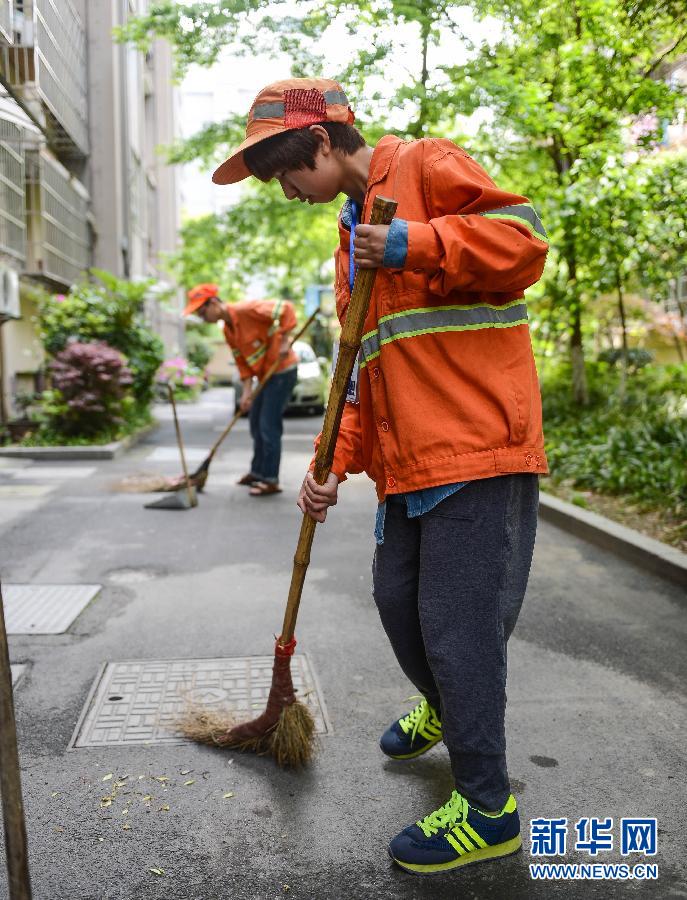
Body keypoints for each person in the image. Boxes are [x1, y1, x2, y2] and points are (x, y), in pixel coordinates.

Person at [210, 78, 549, 875]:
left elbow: (523, 243)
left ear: (321, 143)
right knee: (399, 606)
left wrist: (415, 245)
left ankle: (488, 808)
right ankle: (443, 708)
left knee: (457, 630)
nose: (284, 191)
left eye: (283, 172)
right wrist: (334, 463)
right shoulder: (345, 237)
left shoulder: (425, 167)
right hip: (408, 466)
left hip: (477, 447)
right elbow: (361, 373)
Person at [183, 284, 298, 496]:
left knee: (268, 424)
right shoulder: (228, 330)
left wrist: (283, 341)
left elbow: (286, 307)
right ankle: (258, 472)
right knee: (255, 422)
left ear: (215, 302)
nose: (201, 316)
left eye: (202, 311)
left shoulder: (247, 309)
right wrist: (246, 393)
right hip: (265, 375)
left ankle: (271, 479)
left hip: (282, 371)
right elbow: (243, 363)